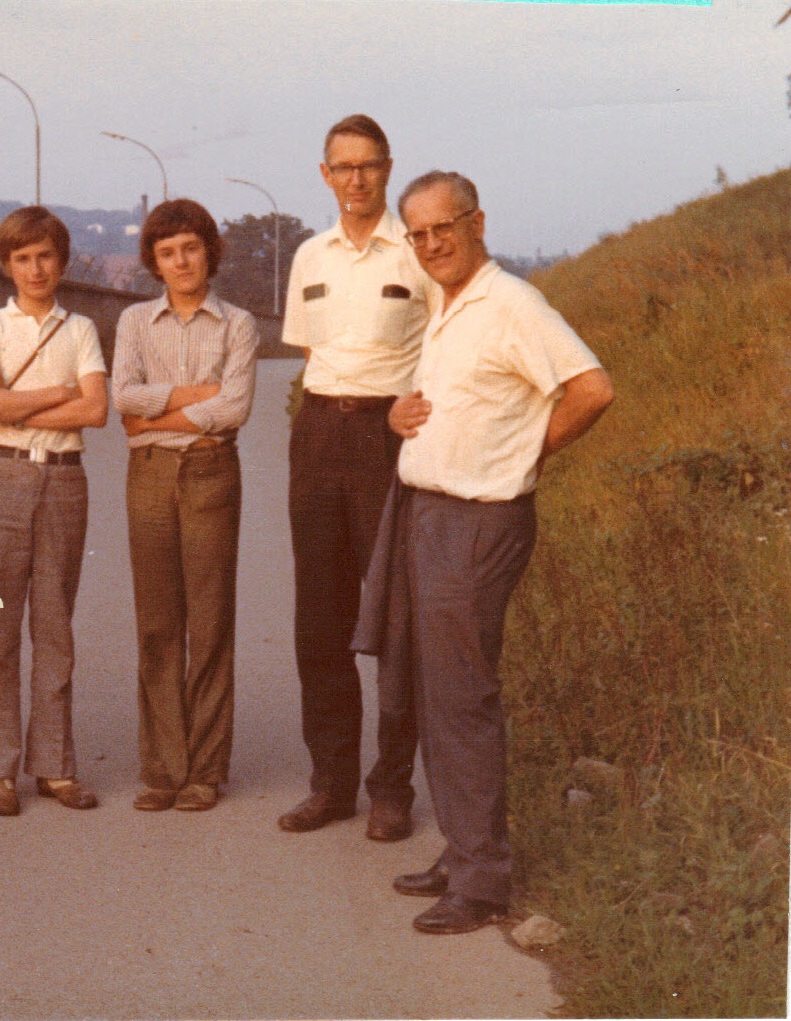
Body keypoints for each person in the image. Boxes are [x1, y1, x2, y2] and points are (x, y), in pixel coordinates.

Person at [359, 170, 614, 934]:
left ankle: (480, 884)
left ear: (476, 223)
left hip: (476, 521)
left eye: (444, 227)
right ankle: (463, 849)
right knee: (434, 693)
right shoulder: (448, 304)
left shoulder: (512, 304)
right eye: (418, 233)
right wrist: (401, 417)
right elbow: (462, 403)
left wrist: (522, 455)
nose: (431, 243)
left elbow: (592, 389)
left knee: (461, 699)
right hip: (426, 513)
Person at [279, 115, 438, 840]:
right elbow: (309, 355)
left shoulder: (415, 253)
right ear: (325, 175)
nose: (356, 179)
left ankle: (392, 788)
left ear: (388, 168)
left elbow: (447, 344)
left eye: (368, 165)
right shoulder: (309, 256)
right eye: (342, 167)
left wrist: (408, 404)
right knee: (320, 618)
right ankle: (331, 783)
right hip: (318, 432)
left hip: (389, 437)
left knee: (396, 618)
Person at [112, 199, 258, 812]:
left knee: (210, 620)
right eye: (167, 252)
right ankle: (163, 768)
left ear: (209, 252)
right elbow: (123, 396)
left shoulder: (237, 324)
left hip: (209, 472)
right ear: (154, 262)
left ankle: (205, 771)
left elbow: (234, 408)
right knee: (157, 623)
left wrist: (155, 417)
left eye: (191, 248)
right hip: (148, 477)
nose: (181, 262)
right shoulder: (134, 322)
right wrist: (193, 396)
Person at [0, 206, 108, 817]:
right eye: (21, 258)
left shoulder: (81, 330)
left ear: (62, 261)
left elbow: (96, 410)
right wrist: (58, 392)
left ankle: (54, 765)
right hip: (1, 480)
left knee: (54, 627)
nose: (35, 268)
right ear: (6, 266)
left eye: (45, 256)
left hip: (63, 483)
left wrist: (13, 403)